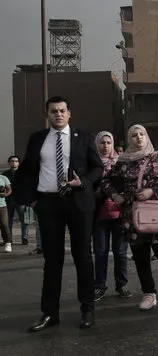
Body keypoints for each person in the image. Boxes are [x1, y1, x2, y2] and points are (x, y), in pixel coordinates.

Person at [16, 96, 103, 332]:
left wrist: (82, 181)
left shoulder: (83, 137)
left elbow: (98, 168)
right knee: (52, 261)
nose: (58, 114)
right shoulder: (37, 139)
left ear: (69, 113)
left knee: (82, 257)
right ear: (48, 114)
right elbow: (25, 172)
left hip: (78, 203)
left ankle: (87, 309)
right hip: (48, 204)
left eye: (62, 110)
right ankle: (49, 313)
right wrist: (32, 200)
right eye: (54, 111)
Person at [101, 124, 158, 314]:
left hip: (156, 213)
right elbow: (106, 180)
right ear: (129, 139)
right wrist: (116, 196)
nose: (138, 138)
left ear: (147, 137)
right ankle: (149, 293)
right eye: (133, 135)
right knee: (141, 257)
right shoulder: (122, 162)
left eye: (141, 134)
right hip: (132, 216)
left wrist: (152, 191)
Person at [92, 131, 131, 301]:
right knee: (100, 252)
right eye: (102, 142)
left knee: (120, 252)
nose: (105, 145)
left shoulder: (121, 162)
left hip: (119, 213)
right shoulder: (91, 163)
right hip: (98, 214)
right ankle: (99, 286)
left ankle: (121, 285)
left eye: (108, 142)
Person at [4, 155, 30, 246]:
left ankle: (24, 238)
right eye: (12, 161)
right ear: (9, 163)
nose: (14, 162)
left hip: (21, 200)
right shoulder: (5, 174)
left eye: (16, 161)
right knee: (8, 221)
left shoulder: (23, 173)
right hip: (8, 200)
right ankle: (8, 239)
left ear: (18, 163)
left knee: (24, 220)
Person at [0, 171, 13, 253]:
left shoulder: (3, 178)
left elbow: (9, 189)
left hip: (1, 206)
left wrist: (5, 194)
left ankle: (8, 244)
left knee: (4, 224)